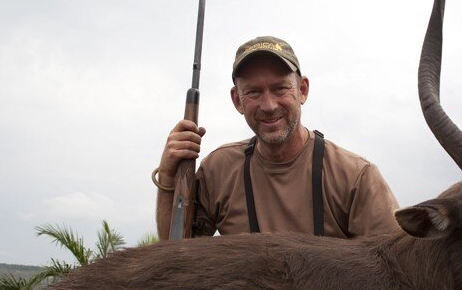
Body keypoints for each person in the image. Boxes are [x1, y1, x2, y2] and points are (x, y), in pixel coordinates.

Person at [152, 36, 399, 239]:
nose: (268, 105)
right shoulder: (218, 170)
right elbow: (176, 255)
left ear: (302, 90)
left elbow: (395, 270)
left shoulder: (356, 177)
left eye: (280, 88)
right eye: (254, 92)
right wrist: (168, 179)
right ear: (237, 100)